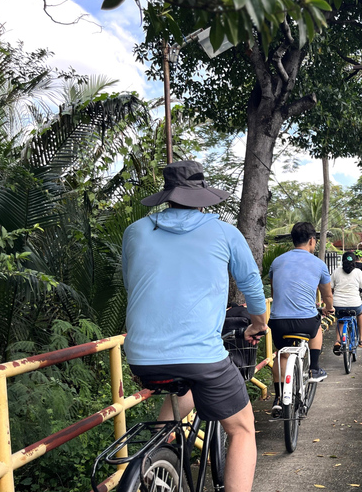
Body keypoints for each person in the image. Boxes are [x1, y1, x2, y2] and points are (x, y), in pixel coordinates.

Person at [122, 160, 268, 492]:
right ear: (202, 197)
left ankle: (159, 450)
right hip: (201, 357)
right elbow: (252, 286)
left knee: (187, 383)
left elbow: (133, 284)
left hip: (141, 357)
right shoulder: (224, 233)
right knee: (242, 428)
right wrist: (257, 324)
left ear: (167, 196)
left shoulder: (135, 231)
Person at [268, 222, 334, 417]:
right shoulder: (319, 264)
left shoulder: (277, 262)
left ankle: (278, 398)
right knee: (317, 327)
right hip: (306, 321)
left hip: (278, 321)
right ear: (312, 241)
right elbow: (327, 295)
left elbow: (274, 292)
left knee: (281, 354)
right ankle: (314, 368)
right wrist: (328, 308)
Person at [331, 251, 362, 354]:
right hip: (355, 304)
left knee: (340, 319)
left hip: (338, 304)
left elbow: (330, 287)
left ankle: (338, 340)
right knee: (360, 313)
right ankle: (361, 339)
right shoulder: (358, 272)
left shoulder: (336, 271)